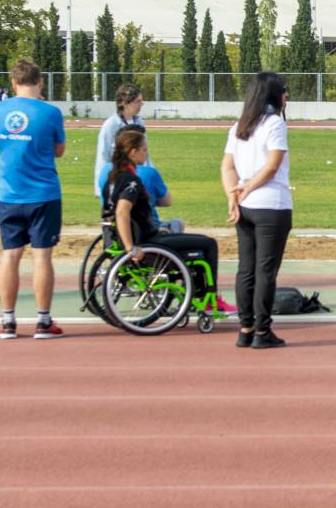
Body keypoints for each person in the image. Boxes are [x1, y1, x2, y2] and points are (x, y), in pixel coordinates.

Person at [104, 126, 224, 315]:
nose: (146, 153)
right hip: (149, 241)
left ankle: (197, 293)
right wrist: (130, 247)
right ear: (133, 152)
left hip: (134, 237)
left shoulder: (111, 178)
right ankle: (207, 297)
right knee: (208, 244)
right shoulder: (131, 181)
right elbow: (121, 212)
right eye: (144, 150)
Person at [0, 60, 67, 340]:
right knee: (42, 256)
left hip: (10, 192)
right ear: (41, 82)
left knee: (10, 254)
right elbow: (59, 150)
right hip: (43, 193)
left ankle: (7, 320)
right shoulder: (50, 112)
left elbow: (2, 144)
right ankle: (43, 320)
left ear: (14, 83)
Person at [223, 72, 293, 349]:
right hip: (271, 205)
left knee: (246, 269)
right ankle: (262, 331)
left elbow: (227, 166)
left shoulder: (240, 125)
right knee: (265, 271)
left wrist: (233, 194)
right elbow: (272, 165)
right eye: (284, 91)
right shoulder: (274, 123)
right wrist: (249, 187)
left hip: (246, 206)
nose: (287, 96)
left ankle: (246, 328)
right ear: (274, 95)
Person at [94, 83, 146, 197]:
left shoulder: (140, 122)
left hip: (138, 179)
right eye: (137, 101)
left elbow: (145, 153)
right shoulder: (110, 125)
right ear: (124, 103)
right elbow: (103, 156)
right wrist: (100, 189)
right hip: (118, 181)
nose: (141, 104)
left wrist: (149, 174)